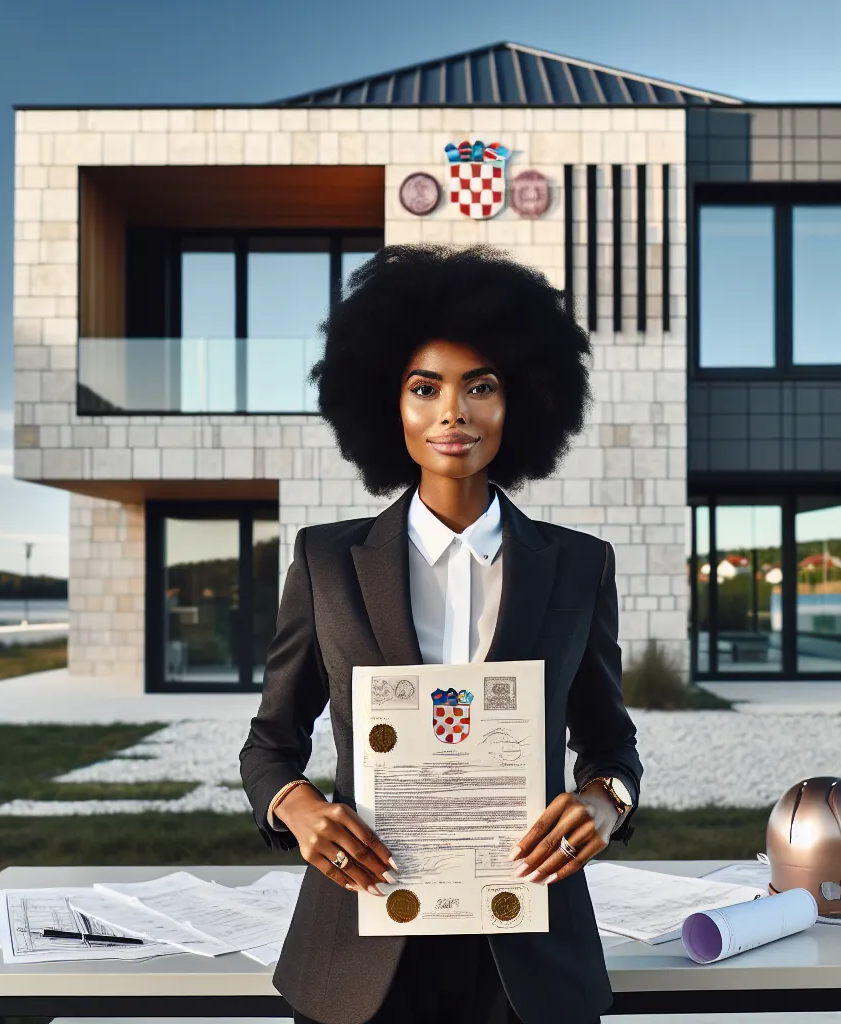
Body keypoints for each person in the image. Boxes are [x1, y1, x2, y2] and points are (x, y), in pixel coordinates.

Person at [239, 244, 642, 1024]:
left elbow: (611, 743)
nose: (452, 412)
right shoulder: (326, 561)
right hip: (361, 945)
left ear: (520, 401)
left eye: (480, 387)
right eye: (425, 388)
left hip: (530, 950)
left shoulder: (580, 565)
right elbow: (269, 746)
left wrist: (604, 801)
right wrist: (297, 808)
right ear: (389, 405)